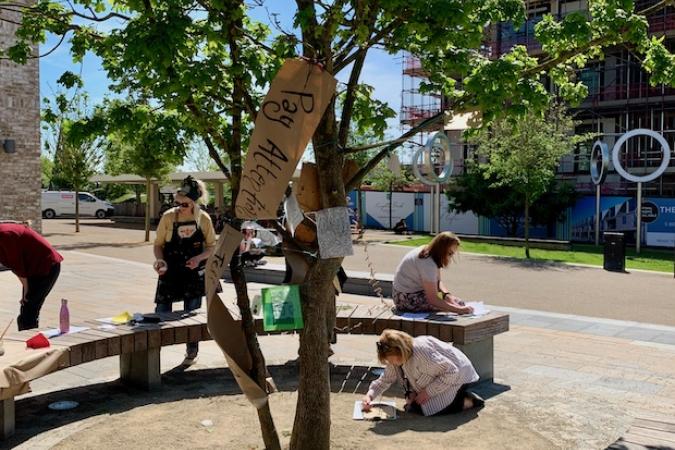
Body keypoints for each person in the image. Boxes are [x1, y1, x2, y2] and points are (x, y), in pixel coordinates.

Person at [153, 176, 216, 365]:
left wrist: (198, 259)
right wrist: (160, 261)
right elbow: (158, 245)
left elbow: (212, 247)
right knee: (161, 312)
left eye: (185, 204)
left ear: (193, 202)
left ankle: (191, 352)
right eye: (177, 203)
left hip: (193, 272)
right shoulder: (168, 217)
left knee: (192, 315)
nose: (180, 206)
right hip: (170, 271)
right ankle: (154, 350)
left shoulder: (203, 219)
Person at [362, 329, 484, 416]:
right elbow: (385, 379)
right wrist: (370, 395)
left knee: (426, 409)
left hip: (460, 375)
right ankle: (456, 397)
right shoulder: (396, 359)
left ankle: (466, 400)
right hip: (440, 375)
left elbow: (451, 371)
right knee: (414, 407)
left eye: (392, 359)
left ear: (401, 351)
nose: (390, 363)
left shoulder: (421, 352)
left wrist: (427, 393)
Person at [0, 221, 63, 330]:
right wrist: (26, 292)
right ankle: (28, 338)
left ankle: (30, 341)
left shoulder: (5, 235)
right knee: (27, 309)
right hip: (32, 269)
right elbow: (16, 266)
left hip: (46, 266)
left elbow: (18, 266)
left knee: (29, 311)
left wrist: (26, 292)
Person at [392, 231, 473, 314]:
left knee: (458, 303)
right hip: (405, 299)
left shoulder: (430, 252)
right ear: (442, 250)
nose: (451, 257)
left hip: (407, 293)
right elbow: (433, 299)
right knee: (452, 306)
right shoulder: (428, 263)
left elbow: (437, 282)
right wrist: (459, 310)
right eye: (450, 253)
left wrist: (447, 295)